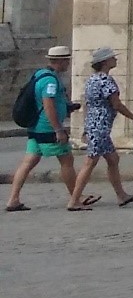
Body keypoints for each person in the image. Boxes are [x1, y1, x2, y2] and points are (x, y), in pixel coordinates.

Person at [5, 44, 85, 211]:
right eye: (67, 61)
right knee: (67, 160)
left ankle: (13, 199)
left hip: (35, 127)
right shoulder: (50, 81)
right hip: (47, 128)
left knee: (28, 162)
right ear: (61, 61)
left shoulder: (40, 74)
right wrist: (58, 129)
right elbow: (48, 105)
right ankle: (76, 197)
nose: (68, 64)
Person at [69, 47, 133, 210]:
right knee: (90, 162)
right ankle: (74, 200)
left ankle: (121, 195)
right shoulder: (106, 81)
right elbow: (116, 104)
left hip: (95, 125)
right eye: (112, 58)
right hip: (101, 126)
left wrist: (86, 127)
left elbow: (87, 104)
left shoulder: (92, 80)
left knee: (113, 159)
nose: (115, 60)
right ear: (105, 62)